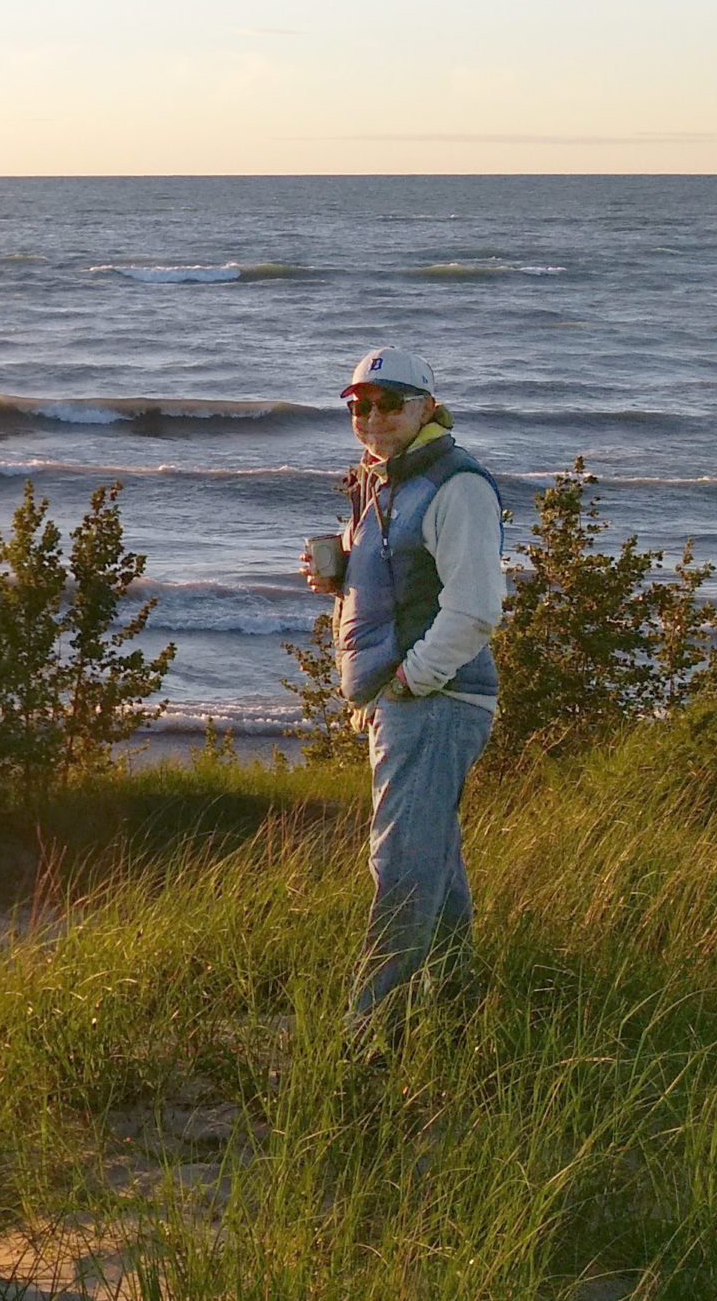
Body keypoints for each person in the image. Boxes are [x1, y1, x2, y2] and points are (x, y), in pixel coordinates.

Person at [301, 346, 505, 1052]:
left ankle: (366, 1041)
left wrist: (414, 678)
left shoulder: (457, 486)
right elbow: (403, 587)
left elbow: (476, 607)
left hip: (438, 699)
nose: (373, 416)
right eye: (360, 404)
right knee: (435, 868)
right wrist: (341, 582)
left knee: (401, 870)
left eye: (390, 402)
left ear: (426, 407)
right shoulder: (384, 484)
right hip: (407, 700)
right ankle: (454, 1015)